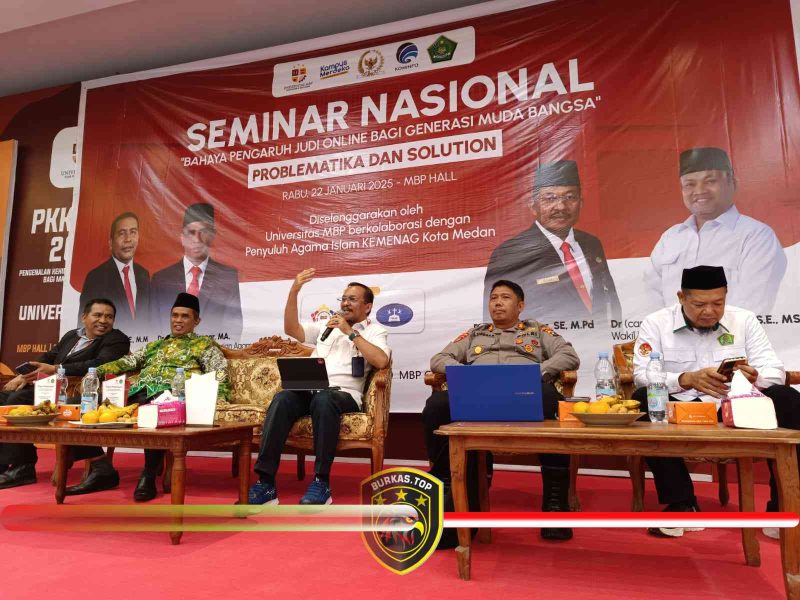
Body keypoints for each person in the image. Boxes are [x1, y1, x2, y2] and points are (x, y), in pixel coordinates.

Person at [633, 265, 800, 538]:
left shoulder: (744, 320)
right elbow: (642, 376)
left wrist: (755, 376)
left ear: (726, 296)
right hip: (681, 409)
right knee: (643, 399)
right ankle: (682, 504)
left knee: (787, 398)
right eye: (699, 304)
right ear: (681, 297)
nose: (709, 311)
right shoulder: (656, 323)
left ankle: (783, 507)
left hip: (734, 408)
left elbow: (775, 371)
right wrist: (686, 379)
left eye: (718, 303)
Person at [424, 279, 580, 544]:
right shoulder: (476, 333)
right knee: (437, 405)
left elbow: (569, 355)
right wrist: (464, 373)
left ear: (520, 306)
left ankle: (555, 502)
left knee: (551, 399)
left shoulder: (537, 330)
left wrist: (540, 372)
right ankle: (446, 484)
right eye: (493, 298)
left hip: (523, 393)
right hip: (479, 394)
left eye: (505, 298)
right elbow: (438, 359)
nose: (497, 303)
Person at [248, 269, 390, 506]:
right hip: (311, 390)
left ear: (367, 307)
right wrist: (294, 290)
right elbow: (292, 329)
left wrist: (350, 333)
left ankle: (321, 482)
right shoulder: (326, 326)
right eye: (343, 299)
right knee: (283, 399)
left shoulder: (375, 331)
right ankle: (265, 482)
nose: (345, 303)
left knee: (324, 399)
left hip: (343, 395)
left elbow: (381, 361)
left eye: (352, 299)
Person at [91, 292, 230, 501]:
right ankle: (100, 467)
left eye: (185, 316)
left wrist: (219, 398)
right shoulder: (155, 346)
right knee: (85, 405)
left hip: (171, 398)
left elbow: (219, 374)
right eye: (175, 315)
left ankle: (148, 475)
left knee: (152, 411)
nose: (178, 320)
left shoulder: (204, 345)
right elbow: (124, 363)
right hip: (137, 394)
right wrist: (95, 372)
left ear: (196, 321)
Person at [0, 299, 130, 490]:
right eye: (98, 315)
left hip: (83, 391)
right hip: (52, 387)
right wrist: (24, 375)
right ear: (84, 317)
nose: (103, 320)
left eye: (109, 317)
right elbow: (48, 357)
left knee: (18, 400)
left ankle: (22, 467)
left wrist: (55, 369)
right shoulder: (72, 336)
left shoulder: (116, 339)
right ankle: (6, 461)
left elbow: (100, 364)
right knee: (4, 397)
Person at [644, 147, 786, 315]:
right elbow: (648, 298)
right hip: (669, 332)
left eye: (710, 181)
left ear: (732, 183)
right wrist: (667, 329)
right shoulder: (670, 238)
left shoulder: (756, 237)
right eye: (689, 184)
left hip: (731, 333)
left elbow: (752, 308)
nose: (699, 191)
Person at [483, 160, 621, 327]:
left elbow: (610, 300)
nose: (561, 206)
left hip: (599, 341)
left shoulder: (592, 244)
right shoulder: (509, 253)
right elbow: (496, 319)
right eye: (550, 198)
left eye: (570, 197)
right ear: (533, 206)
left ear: (581, 203)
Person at [150, 203, 242, 342]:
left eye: (203, 232)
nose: (197, 240)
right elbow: (152, 325)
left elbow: (233, 327)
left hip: (212, 352)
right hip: (167, 353)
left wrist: (210, 352)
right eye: (191, 232)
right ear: (182, 237)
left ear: (212, 235)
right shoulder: (161, 278)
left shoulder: (227, 276)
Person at [79, 212, 150, 335]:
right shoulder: (95, 278)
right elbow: (85, 327)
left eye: (133, 232)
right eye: (122, 233)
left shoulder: (144, 274)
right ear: (111, 242)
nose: (128, 239)